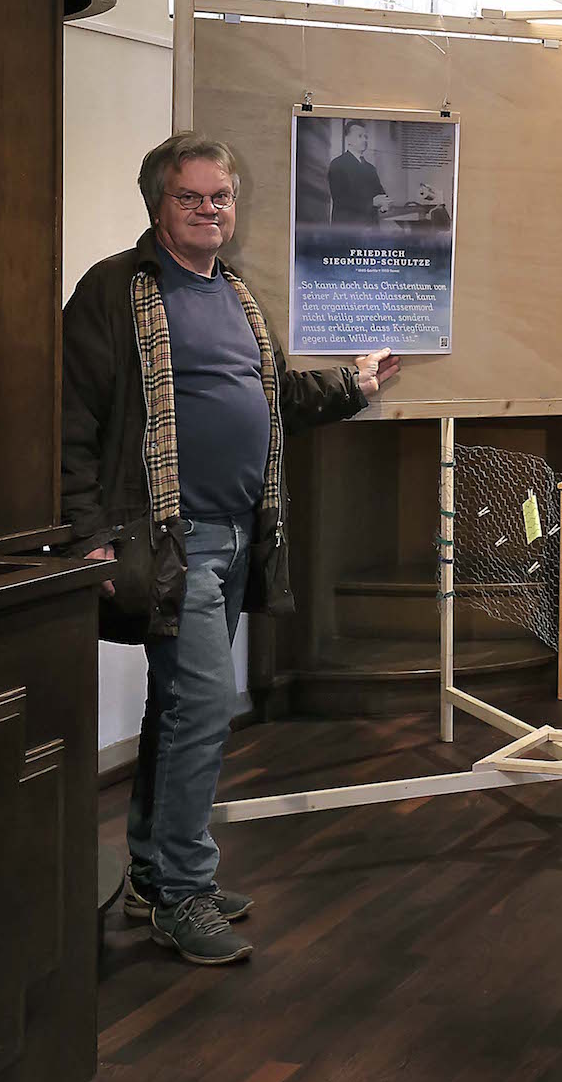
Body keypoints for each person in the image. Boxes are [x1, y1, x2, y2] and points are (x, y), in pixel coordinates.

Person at [63, 134, 400, 964]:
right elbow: (69, 422)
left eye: (221, 196)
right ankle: (182, 892)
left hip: (237, 534)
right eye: (192, 197)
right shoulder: (115, 291)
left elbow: (273, 395)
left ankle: (153, 869)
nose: (210, 209)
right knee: (205, 706)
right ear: (158, 204)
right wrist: (88, 536)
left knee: (178, 706)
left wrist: (352, 387)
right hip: (166, 541)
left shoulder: (239, 293)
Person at [327, 118, 388, 225]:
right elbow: (340, 200)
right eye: (360, 136)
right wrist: (372, 202)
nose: (364, 140)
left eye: (366, 137)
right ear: (348, 139)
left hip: (370, 228)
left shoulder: (370, 168)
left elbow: (380, 192)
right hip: (348, 229)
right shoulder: (337, 164)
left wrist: (384, 203)